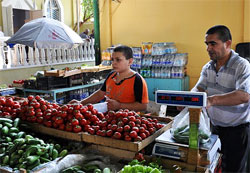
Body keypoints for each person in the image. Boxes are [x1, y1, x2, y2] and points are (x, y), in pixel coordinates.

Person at [192, 25, 250, 172]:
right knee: (215, 165)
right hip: (214, 128)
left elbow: (244, 95)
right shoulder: (208, 67)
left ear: (228, 44)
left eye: (213, 44)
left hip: (237, 131)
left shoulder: (242, 66)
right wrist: (188, 99)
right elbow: (199, 88)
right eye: (207, 44)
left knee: (233, 169)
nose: (208, 48)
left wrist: (212, 100)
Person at [69, 45, 149, 111]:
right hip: (110, 120)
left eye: (118, 60)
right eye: (112, 60)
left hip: (130, 122)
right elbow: (100, 93)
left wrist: (120, 105)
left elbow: (143, 106)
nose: (114, 63)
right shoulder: (111, 75)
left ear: (130, 61)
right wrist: (81, 103)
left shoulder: (137, 80)